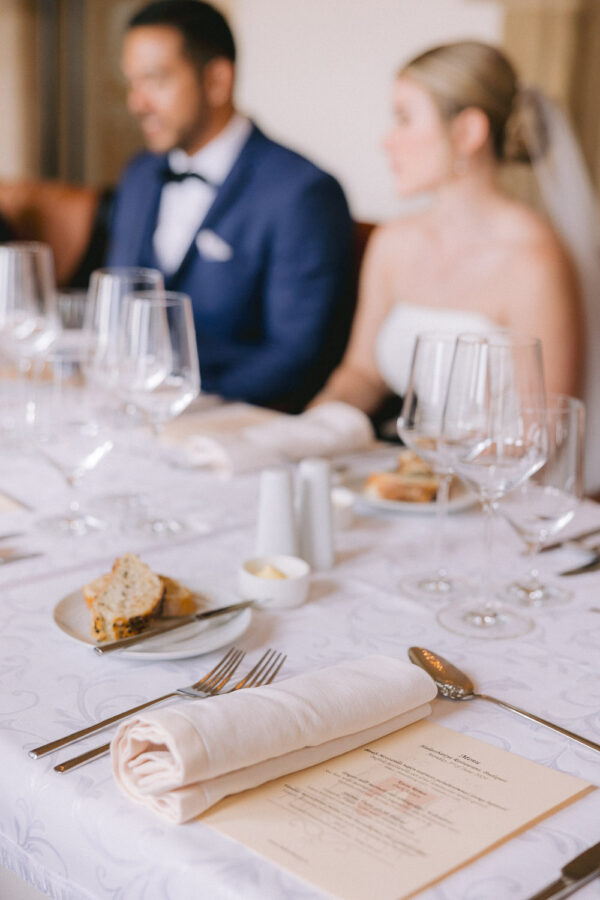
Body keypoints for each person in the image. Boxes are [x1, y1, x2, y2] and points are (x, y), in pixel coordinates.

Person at [312, 41, 583, 422]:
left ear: (468, 131)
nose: (387, 141)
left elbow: (542, 429)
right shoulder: (392, 241)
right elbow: (362, 374)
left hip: (491, 479)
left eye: (404, 118)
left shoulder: (533, 260)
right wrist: (302, 434)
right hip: (405, 467)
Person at [107, 0, 352, 412]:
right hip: (132, 413)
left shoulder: (303, 192)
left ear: (217, 80)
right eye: (133, 83)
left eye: (156, 80)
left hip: (235, 427)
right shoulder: (140, 174)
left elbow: (296, 358)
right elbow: (117, 307)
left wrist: (184, 404)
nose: (137, 102)